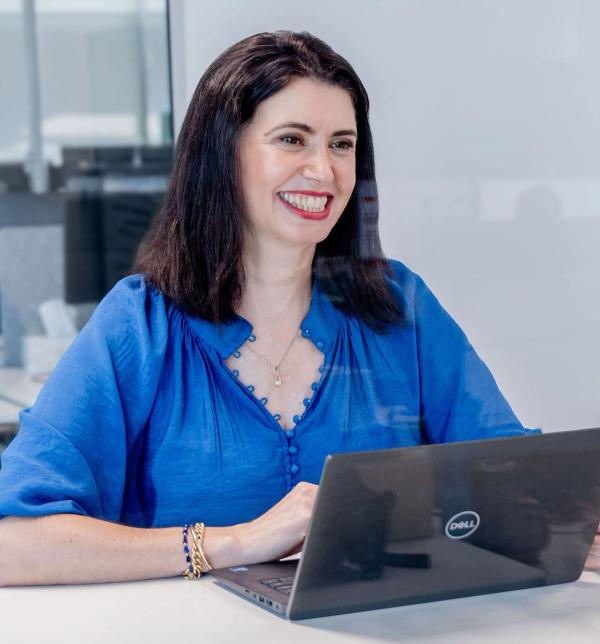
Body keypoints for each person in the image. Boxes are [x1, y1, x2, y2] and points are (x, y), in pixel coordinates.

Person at [0, 30, 594, 586]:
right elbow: (15, 542)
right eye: (292, 139)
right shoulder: (140, 325)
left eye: (342, 145)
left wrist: (572, 518)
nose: (323, 170)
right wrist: (233, 542)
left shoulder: (398, 306)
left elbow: (513, 481)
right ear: (222, 153)